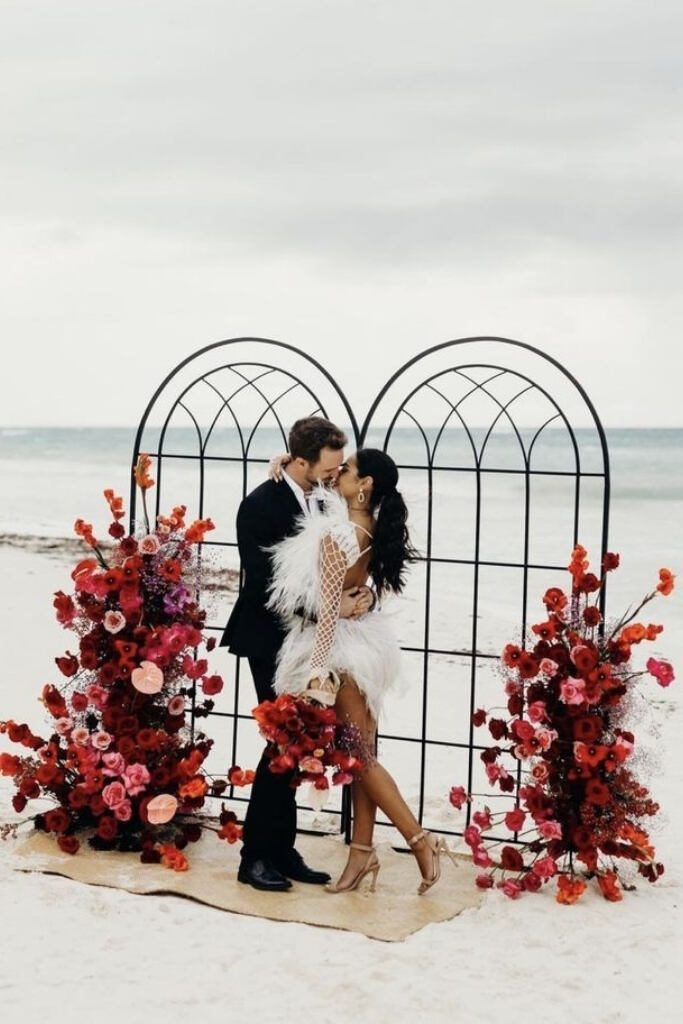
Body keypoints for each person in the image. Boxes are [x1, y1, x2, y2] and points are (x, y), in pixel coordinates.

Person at [266, 448, 458, 894]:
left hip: (339, 653)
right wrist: (284, 461)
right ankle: (361, 856)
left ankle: (419, 841)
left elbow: (329, 607)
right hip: (366, 645)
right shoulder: (369, 528)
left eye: (348, 470)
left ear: (365, 484)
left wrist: (317, 670)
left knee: (360, 759)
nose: (340, 474)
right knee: (361, 757)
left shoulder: (339, 534)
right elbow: (361, 588)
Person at [220, 417, 374, 891]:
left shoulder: (323, 495)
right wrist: (333, 608)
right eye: (325, 469)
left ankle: (282, 851)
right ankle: (253, 858)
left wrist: (359, 598)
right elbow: (268, 588)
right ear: (299, 460)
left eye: (335, 470)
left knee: (299, 744)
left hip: (312, 640)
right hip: (269, 639)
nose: (332, 478)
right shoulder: (258, 506)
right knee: (280, 743)